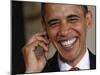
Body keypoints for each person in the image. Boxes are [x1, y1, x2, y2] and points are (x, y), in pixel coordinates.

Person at [22, 3, 96, 73]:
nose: (64, 32)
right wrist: (32, 71)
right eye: (54, 23)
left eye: (72, 19)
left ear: (88, 20)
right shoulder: (37, 71)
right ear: (45, 27)